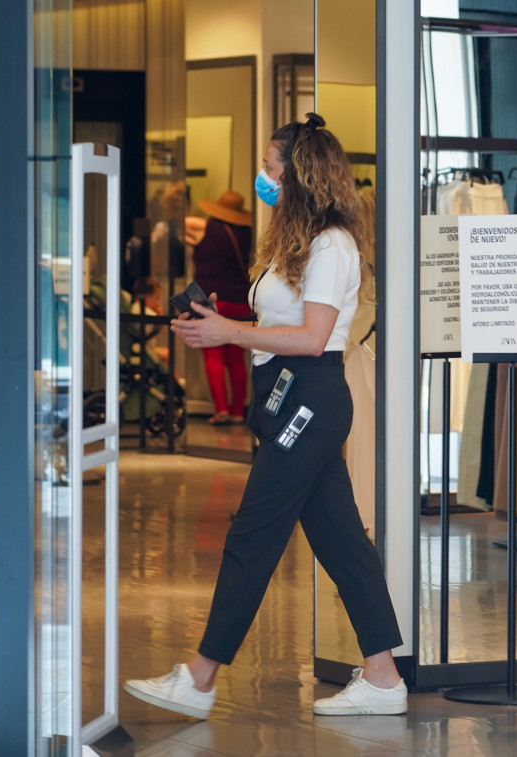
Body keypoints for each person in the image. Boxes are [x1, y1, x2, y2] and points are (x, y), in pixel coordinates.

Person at [124, 113, 407, 720]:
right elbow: (277, 323)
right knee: (344, 544)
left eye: (271, 167)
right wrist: (217, 321)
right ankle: (383, 677)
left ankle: (200, 679)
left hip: (311, 397)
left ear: (298, 174)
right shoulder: (293, 243)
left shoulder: (333, 245)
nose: (263, 176)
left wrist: (229, 330)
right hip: (287, 399)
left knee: (252, 536)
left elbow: (312, 336)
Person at [191, 190, 254, 425]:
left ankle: (221, 409)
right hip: (240, 300)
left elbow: (183, 224)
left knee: (213, 354)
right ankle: (238, 411)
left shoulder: (206, 230)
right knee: (237, 358)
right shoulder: (248, 234)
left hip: (213, 300)